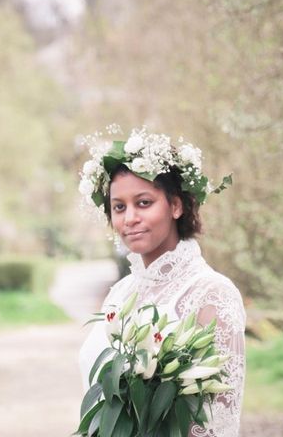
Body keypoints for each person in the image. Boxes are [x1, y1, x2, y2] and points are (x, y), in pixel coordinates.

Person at [78, 128, 245, 437]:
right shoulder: (119, 294)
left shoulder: (212, 293)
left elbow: (220, 422)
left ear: (176, 206)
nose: (129, 218)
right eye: (119, 207)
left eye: (143, 203)